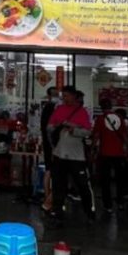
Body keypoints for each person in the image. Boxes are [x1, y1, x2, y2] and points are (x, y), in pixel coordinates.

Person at [46, 85, 94, 224]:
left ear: (74, 96)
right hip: (59, 154)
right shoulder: (59, 110)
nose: (64, 99)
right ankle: (57, 212)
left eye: (67, 96)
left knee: (82, 185)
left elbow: (88, 131)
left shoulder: (82, 112)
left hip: (76, 156)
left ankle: (89, 212)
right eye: (63, 96)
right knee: (58, 185)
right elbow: (49, 128)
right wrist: (58, 125)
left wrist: (74, 130)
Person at [93, 98, 128, 213]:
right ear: (111, 106)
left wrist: (93, 149)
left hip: (105, 153)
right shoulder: (119, 118)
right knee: (120, 180)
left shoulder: (100, 119)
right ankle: (120, 202)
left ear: (101, 107)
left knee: (105, 180)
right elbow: (125, 136)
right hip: (119, 153)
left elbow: (96, 136)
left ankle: (107, 204)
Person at [38, 87, 60, 212]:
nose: (57, 96)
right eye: (54, 94)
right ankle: (49, 199)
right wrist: (53, 146)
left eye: (58, 94)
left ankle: (48, 197)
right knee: (53, 172)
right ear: (49, 96)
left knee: (49, 170)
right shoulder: (50, 108)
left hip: (50, 144)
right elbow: (49, 129)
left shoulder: (49, 108)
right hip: (52, 145)